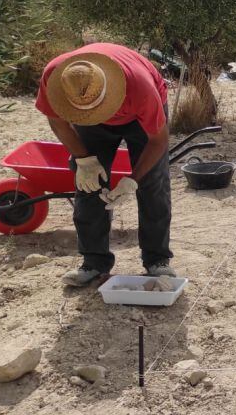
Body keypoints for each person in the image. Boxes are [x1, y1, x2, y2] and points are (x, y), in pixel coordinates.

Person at [35, 43, 174, 286]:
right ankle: (93, 263)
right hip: (91, 125)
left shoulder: (140, 87)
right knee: (88, 184)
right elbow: (57, 121)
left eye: (98, 107)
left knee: (153, 184)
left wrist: (132, 180)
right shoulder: (58, 78)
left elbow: (158, 140)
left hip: (138, 117)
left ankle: (157, 260)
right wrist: (83, 159)